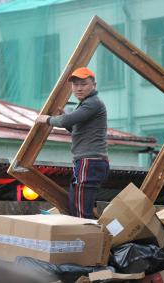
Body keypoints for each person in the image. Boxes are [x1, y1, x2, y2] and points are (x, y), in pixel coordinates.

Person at [36, 67, 109, 219]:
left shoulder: (93, 103)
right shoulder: (85, 104)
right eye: (75, 85)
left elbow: (66, 121)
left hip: (90, 161)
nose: (79, 88)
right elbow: (74, 127)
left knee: (82, 212)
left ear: (93, 85)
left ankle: (87, 241)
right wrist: (67, 120)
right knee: (77, 205)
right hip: (87, 162)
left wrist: (47, 119)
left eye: (83, 84)